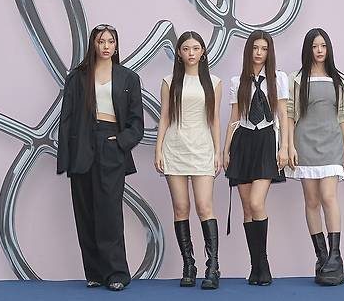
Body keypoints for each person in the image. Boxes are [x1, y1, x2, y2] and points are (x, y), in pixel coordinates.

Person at [57, 24, 144, 291]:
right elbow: (66, 120)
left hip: (111, 145)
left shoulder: (128, 78)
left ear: (116, 46)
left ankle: (117, 273)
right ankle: (94, 273)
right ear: (93, 45)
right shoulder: (77, 77)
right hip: (83, 145)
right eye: (101, 41)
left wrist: (120, 143)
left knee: (109, 213)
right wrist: (66, 159)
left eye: (110, 41)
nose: (106, 46)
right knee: (85, 212)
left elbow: (136, 123)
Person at [286, 28, 344, 286]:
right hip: (304, 143)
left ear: (329, 48)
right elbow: (289, 114)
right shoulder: (296, 79)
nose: (319, 50)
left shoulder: (341, 81)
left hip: (332, 143)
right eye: (315, 46)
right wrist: (289, 146)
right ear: (308, 49)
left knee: (329, 196)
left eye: (323, 46)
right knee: (312, 201)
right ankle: (322, 257)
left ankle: (336, 256)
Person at [155, 31, 222, 290]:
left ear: (203, 52)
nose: (191, 53)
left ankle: (212, 267)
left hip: (202, 149)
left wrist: (218, 152)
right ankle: (189, 265)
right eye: (186, 48)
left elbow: (214, 119)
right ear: (179, 53)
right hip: (175, 148)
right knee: (181, 208)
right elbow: (164, 117)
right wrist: (158, 149)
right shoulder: (169, 81)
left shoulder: (213, 82)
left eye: (195, 48)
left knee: (205, 206)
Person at [223, 30, 289, 286]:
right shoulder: (237, 81)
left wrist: (284, 147)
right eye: (255, 48)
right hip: (243, 141)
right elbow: (234, 118)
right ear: (248, 50)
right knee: (247, 208)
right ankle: (255, 267)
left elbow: (283, 114)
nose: (259, 53)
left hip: (266, 141)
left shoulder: (278, 78)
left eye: (264, 48)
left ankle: (264, 263)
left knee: (256, 202)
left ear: (269, 52)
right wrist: (226, 150)